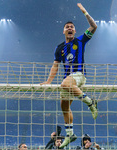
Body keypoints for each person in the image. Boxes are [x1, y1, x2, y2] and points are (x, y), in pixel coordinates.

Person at [41, 3, 98, 148]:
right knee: (64, 107)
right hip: (68, 79)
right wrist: (48, 81)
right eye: (67, 27)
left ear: (75, 30)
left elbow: (94, 27)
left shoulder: (80, 40)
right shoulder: (59, 48)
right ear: (63, 31)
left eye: (72, 26)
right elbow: (55, 65)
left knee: (64, 84)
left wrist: (85, 12)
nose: (70, 28)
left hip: (79, 75)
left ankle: (91, 102)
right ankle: (70, 134)